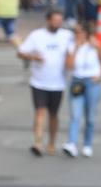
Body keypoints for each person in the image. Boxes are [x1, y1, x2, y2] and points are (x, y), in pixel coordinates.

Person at [16, 9, 75, 157]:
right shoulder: (36, 36)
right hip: (39, 82)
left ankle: (52, 142)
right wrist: (33, 57)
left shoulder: (67, 36)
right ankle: (38, 143)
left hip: (58, 83)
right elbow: (21, 52)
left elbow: (73, 54)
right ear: (48, 20)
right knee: (40, 111)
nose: (57, 24)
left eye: (60, 21)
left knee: (53, 114)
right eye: (55, 21)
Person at [62, 20, 101, 158]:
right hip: (77, 81)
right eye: (75, 32)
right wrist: (76, 49)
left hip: (92, 83)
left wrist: (100, 76)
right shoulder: (71, 46)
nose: (77, 35)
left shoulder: (95, 45)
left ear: (86, 33)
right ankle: (72, 143)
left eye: (79, 32)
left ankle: (87, 144)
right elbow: (69, 66)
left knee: (90, 116)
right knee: (75, 114)